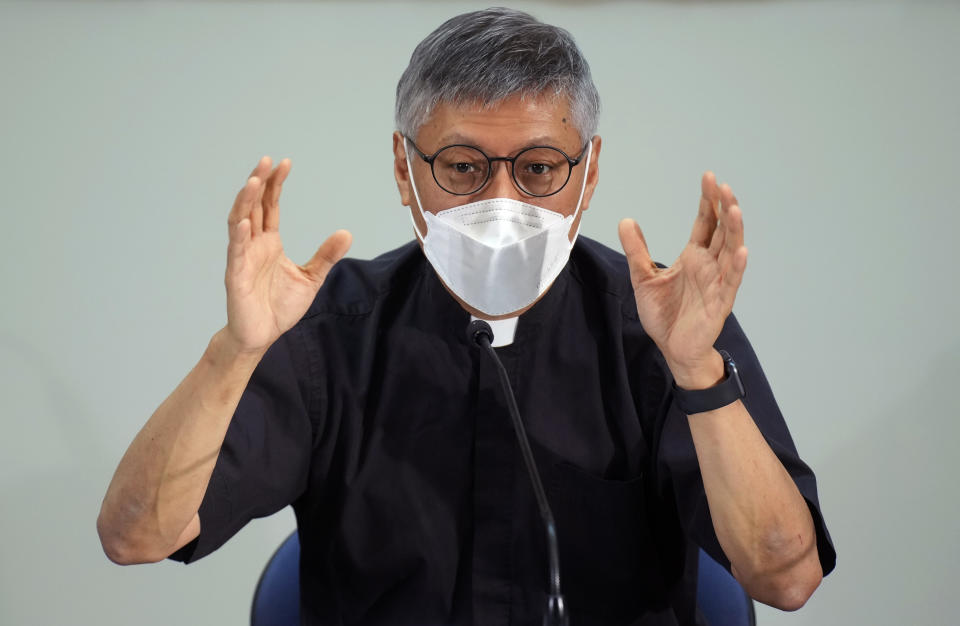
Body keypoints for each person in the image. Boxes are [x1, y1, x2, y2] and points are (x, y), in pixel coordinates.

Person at [97, 8, 835, 625]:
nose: (502, 202)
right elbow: (135, 537)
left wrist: (698, 373)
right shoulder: (325, 330)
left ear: (591, 171)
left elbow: (786, 580)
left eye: (540, 168)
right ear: (403, 167)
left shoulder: (666, 328)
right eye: (462, 167)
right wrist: (234, 351)